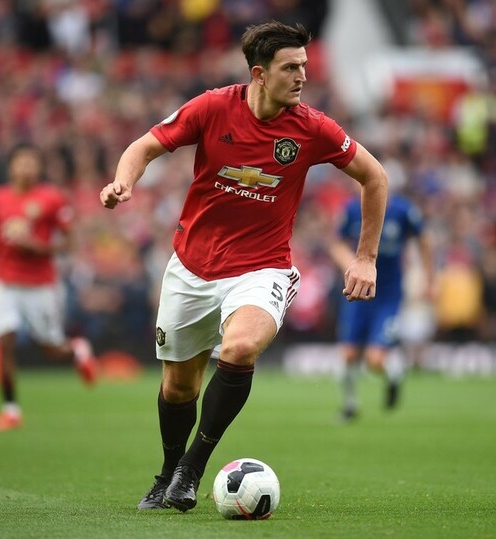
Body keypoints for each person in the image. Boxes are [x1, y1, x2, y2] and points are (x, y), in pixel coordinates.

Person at [100, 21, 388, 512]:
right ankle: (167, 473)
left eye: (304, 66)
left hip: (262, 268)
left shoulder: (313, 127)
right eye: (290, 67)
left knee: (239, 347)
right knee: (179, 387)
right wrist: (123, 182)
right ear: (259, 73)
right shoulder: (212, 107)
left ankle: (192, 468)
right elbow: (144, 146)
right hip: (192, 267)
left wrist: (365, 257)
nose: (302, 76)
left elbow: (374, 176)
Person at [0, 144, 97, 432]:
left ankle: (77, 350)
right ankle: (10, 410)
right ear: (11, 167)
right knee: (5, 341)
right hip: (4, 283)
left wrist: (36, 246)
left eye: (31, 162)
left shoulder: (52, 198)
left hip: (40, 285)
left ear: (39, 167)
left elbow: (69, 243)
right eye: (21, 162)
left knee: (51, 349)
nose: (26, 167)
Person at [330, 192, 433, 421]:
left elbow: (424, 239)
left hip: (388, 294)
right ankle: (350, 406)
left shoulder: (403, 211)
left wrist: (429, 279)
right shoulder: (352, 210)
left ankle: (394, 376)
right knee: (348, 353)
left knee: (374, 359)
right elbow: (337, 244)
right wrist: (352, 264)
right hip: (358, 291)